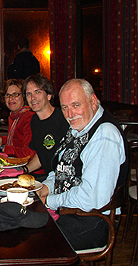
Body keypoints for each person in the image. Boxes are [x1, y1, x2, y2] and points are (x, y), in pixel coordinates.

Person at [37, 79, 128, 250]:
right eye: (64, 107)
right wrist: (44, 188)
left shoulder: (104, 134)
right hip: (68, 211)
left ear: (93, 101)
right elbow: (61, 169)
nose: (70, 114)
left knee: (33, 242)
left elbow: (92, 198)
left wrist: (49, 200)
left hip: (93, 221)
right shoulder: (77, 128)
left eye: (76, 105)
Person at [22, 74, 69, 181]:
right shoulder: (34, 121)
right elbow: (42, 154)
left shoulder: (64, 117)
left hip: (64, 180)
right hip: (50, 178)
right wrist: (23, 170)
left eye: (38, 92)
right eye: (29, 94)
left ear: (49, 95)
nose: (33, 98)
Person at [0, 79, 40, 165]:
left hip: (31, 171)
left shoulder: (29, 117)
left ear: (24, 97)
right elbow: (16, 140)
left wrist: (0, 147)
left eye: (15, 94)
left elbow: (29, 153)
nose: (11, 98)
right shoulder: (14, 115)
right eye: (8, 95)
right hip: (17, 163)